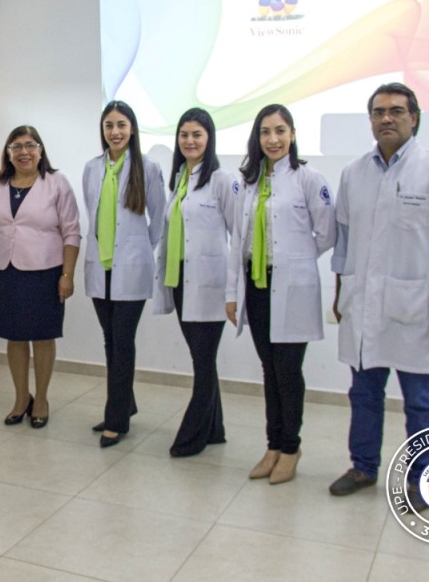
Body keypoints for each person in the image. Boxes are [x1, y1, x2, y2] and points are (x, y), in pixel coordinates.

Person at [328, 83, 429, 508]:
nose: (386, 118)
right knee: (364, 394)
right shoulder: (353, 173)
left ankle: (423, 478)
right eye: (378, 112)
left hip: (418, 308)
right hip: (363, 307)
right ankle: (363, 466)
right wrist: (340, 296)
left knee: (419, 400)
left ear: (414, 118)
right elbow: (344, 243)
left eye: (396, 111)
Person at [225, 104, 336, 484]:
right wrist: (231, 294)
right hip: (256, 288)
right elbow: (237, 240)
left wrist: (296, 260)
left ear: (292, 134)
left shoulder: (308, 178)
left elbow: (327, 233)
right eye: (265, 132)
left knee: (288, 371)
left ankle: (291, 447)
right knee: (268, 370)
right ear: (256, 138)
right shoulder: (249, 181)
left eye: (280, 131)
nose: (273, 139)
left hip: (292, 288)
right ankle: (272, 445)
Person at [0, 125, 81, 428]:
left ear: (40, 150)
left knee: (42, 336)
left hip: (45, 272)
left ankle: (41, 399)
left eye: (30, 145)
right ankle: (21, 397)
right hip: (6, 271)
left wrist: (67, 274)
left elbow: (72, 232)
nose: (24, 152)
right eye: (16, 146)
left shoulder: (56, 183)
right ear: (8, 153)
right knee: (14, 335)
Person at [153, 108, 236, 457]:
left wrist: (234, 290)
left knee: (203, 362)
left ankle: (192, 436)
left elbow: (239, 235)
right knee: (202, 359)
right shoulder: (180, 180)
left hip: (209, 285)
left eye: (197, 134)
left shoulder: (222, 180)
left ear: (209, 138)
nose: (190, 141)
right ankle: (214, 429)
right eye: (184, 135)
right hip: (181, 282)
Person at [82, 100, 165, 448]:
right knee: (110, 342)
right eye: (108, 126)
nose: (114, 132)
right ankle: (124, 404)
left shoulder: (147, 168)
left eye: (121, 125)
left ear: (132, 129)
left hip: (131, 268)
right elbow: (93, 213)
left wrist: (138, 249)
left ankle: (116, 419)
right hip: (101, 268)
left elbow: (159, 218)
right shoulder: (91, 167)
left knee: (122, 342)